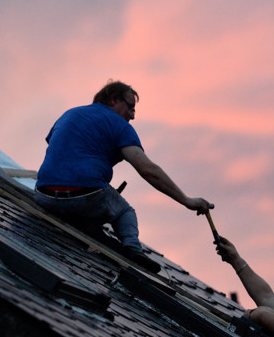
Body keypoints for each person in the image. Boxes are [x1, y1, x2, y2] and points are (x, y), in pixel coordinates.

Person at [35, 80, 213, 273]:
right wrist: (186, 200)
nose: (133, 116)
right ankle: (133, 249)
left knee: (96, 197)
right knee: (124, 212)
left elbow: (56, 147)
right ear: (113, 100)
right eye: (130, 107)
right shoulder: (119, 125)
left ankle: (84, 221)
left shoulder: (69, 114)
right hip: (86, 197)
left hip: (44, 194)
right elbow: (147, 169)